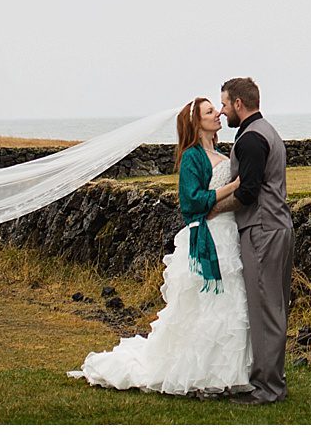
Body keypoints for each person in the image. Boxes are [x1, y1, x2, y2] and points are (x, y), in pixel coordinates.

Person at [67, 97, 252, 395]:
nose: (218, 113)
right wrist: (233, 186)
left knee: (229, 301)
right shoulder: (192, 157)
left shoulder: (218, 152)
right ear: (196, 122)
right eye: (209, 112)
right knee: (205, 304)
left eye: (216, 110)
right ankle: (198, 372)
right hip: (209, 236)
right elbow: (190, 201)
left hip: (227, 234)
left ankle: (226, 372)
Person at [212, 76, 294, 405]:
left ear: (239, 105)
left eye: (225, 103)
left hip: (262, 229)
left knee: (264, 308)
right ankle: (272, 378)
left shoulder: (249, 139)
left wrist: (214, 209)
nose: (222, 110)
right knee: (274, 306)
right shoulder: (267, 131)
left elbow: (247, 193)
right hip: (277, 226)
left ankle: (267, 389)